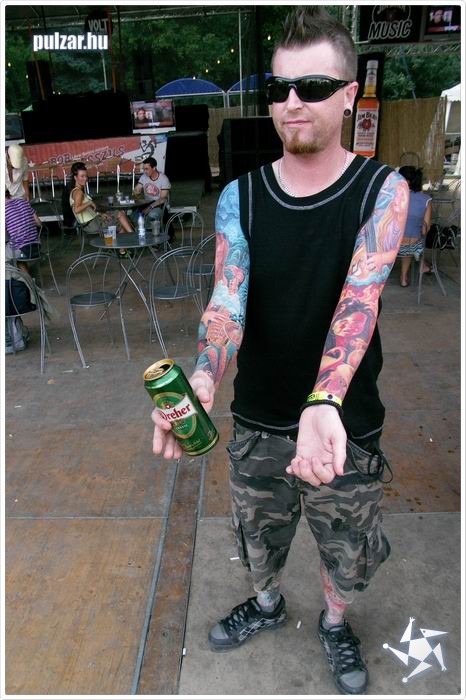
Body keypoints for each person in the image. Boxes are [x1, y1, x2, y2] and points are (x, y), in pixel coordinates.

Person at [151, 6, 409, 695]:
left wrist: (324, 401)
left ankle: (333, 620)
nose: (292, 102)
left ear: (348, 95)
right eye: (279, 87)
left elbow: (359, 300)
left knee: (346, 548)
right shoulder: (240, 197)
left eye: (313, 87)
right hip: (259, 416)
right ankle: (266, 604)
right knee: (258, 536)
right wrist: (204, 377)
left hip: (343, 423)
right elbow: (227, 299)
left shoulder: (383, 191)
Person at [69, 162, 134, 235]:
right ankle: (132, 236)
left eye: (86, 176)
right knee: (119, 220)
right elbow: (77, 210)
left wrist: (100, 214)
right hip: (92, 225)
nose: (85, 178)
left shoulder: (75, 191)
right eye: (82, 176)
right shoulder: (78, 192)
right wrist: (90, 202)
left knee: (118, 213)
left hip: (91, 222)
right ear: (75, 177)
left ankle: (130, 236)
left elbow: (87, 211)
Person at [398, 166, 432, 287]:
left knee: (403, 239)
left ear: (406, 181)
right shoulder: (426, 200)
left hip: (390, 247)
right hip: (412, 245)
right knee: (412, 241)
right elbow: (424, 230)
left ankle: (419, 266)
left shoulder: (393, 197)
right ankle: (406, 276)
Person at [5, 188, 41, 273]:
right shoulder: (23, 202)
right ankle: (27, 279)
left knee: (11, 252)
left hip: (22, 250)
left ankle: (16, 280)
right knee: (19, 257)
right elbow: (39, 223)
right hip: (36, 247)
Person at [132, 157, 170, 225]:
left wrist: (149, 207)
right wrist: (136, 191)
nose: (145, 171)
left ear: (154, 168)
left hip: (159, 206)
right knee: (133, 216)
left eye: (147, 169)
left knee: (152, 215)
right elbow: (137, 188)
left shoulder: (164, 179)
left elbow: (163, 199)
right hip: (147, 204)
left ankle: (153, 230)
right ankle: (140, 230)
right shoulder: (144, 177)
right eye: (144, 169)